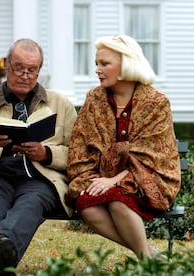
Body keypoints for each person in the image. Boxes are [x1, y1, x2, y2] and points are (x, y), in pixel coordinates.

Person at [0, 38, 77, 275]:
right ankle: (1, 252)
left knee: (32, 203)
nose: (25, 75)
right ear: (7, 65)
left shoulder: (62, 105)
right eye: (19, 68)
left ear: (39, 71)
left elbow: (79, 155)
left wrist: (47, 153)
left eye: (32, 70)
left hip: (40, 178)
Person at [66, 35, 181, 259]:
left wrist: (113, 180)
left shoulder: (156, 102)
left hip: (148, 178)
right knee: (86, 205)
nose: (97, 70)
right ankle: (148, 255)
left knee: (118, 201)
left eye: (104, 64)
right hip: (101, 177)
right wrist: (95, 178)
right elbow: (81, 144)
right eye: (96, 64)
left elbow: (155, 156)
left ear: (126, 65)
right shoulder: (94, 98)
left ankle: (145, 260)